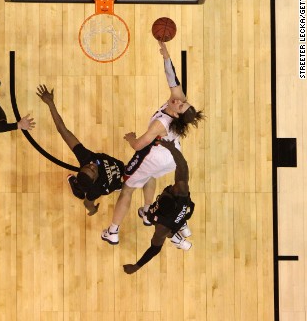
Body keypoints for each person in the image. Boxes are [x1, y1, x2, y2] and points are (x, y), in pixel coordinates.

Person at [102, 40, 204, 245]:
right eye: (182, 101)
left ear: (176, 115)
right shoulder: (177, 106)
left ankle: (112, 231)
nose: (177, 101)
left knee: (127, 188)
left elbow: (139, 145)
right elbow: (172, 78)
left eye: (179, 105)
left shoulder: (161, 123)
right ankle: (147, 211)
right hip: (171, 158)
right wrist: (166, 56)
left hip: (154, 155)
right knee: (149, 176)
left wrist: (131, 137)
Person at [36, 84, 124, 215]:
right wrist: (93, 210)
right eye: (93, 170)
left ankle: (76, 183)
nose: (92, 165)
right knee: (82, 195)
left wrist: (50, 104)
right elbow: (87, 204)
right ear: (95, 180)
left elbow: (62, 130)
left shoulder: (85, 158)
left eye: (87, 166)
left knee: (120, 179)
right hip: (109, 183)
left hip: (120, 171)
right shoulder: (96, 189)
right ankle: (76, 187)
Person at [122, 139, 194, 274]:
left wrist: (136, 266)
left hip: (170, 223)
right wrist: (172, 148)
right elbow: (182, 165)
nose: (173, 187)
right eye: (173, 189)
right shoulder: (181, 190)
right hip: (180, 211)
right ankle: (182, 225)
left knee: (167, 231)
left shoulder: (161, 228)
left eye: (173, 189)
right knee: (176, 217)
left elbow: (154, 249)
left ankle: (176, 239)